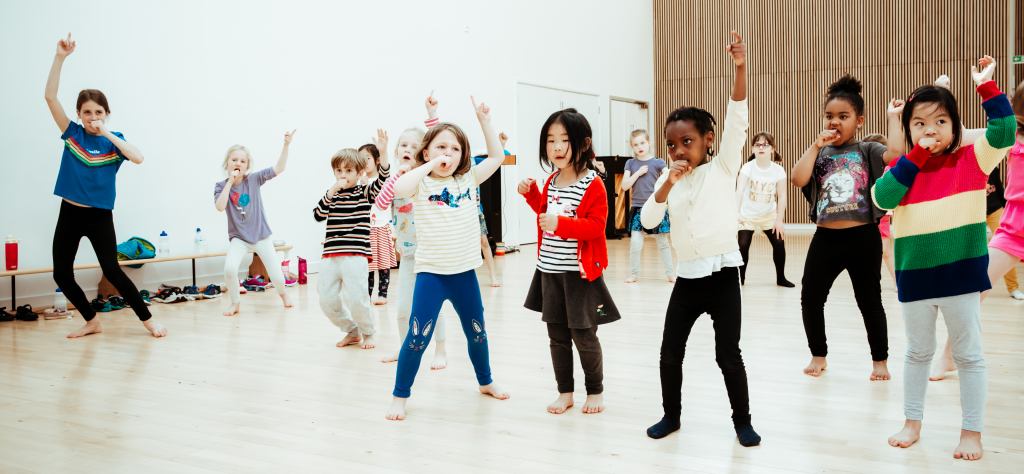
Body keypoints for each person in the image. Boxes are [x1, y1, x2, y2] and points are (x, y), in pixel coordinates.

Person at [874, 55, 1013, 461]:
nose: (930, 130)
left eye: (939, 121)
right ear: (907, 129)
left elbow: (1003, 133)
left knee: (968, 355)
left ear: (954, 128)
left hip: (962, 275)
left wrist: (987, 88)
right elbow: (882, 199)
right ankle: (912, 422)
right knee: (917, 352)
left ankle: (972, 432)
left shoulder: (971, 161)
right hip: (915, 277)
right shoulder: (904, 170)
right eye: (919, 123)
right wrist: (914, 157)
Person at [641, 32, 759, 447]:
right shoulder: (667, 179)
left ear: (708, 141)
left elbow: (737, 118)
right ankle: (670, 416)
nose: (679, 150)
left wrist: (740, 68)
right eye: (672, 144)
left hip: (725, 277)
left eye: (687, 142)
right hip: (687, 281)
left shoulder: (723, 166)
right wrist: (666, 185)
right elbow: (649, 219)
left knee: (728, 354)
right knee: (669, 352)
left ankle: (742, 421)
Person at [45, 34, 166, 338]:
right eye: (87, 112)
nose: (93, 117)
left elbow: (138, 157)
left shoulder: (115, 143)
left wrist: (107, 132)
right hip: (70, 213)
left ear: (106, 114)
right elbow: (50, 97)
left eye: (98, 112)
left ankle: (148, 320)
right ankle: (91, 320)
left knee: (112, 270)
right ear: (79, 114)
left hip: (99, 216)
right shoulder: (72, 135)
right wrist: (60, 57)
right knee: (62, 273)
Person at [520, 108, 620, 415]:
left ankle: (595, 391)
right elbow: (546, 214)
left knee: (583, 335)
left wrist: (559, 223)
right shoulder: (550, 181)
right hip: (549, 272)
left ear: (583, 143)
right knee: (557, 337)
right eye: (550, 141)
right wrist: (533, 195)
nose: (557, 147)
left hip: (579, 274)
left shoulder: (594, 184)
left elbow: (594, 227)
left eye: (565, 140)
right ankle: (565, 392)